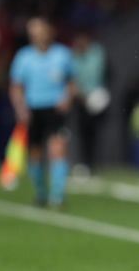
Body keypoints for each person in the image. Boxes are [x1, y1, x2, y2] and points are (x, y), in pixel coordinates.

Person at [9, 17, 76, 207]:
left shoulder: (62, 54)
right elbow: (16, 87)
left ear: (49, 32)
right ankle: (40, 193)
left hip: (54, 108)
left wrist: (67, 98)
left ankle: (57, 195)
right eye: (33, 32)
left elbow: (72, 83)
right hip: (33, 109)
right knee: (35, 153)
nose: (38, 36)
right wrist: (20, 108)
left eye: (41, 31)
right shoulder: (23, 57)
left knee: (58, 149)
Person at [71, 30, 109, 174]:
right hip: (80, 100)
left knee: (94, 132)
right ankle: (85, 162)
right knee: (83, 133)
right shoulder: (74, 55)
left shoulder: (97, 53)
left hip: (96, 98)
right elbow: (72, 77)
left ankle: (94, 162)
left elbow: (101, 74)